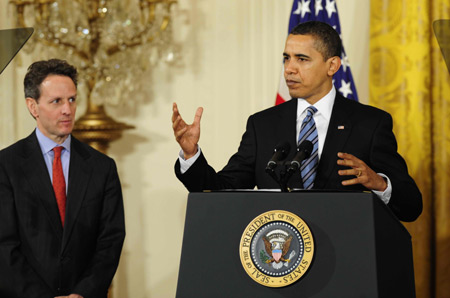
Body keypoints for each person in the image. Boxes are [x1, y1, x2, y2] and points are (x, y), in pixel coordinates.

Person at [171, 21, 422, 222]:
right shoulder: (263, 125)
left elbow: (411, 206)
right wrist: (190, 154)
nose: (289, 69)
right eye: (286, 58)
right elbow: (220, 191)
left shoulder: (370, 123)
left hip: (347, 262)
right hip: (279, 262)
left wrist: (378, 183)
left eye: (302, 59)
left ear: (332, 65)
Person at [0, 59, 125, 298]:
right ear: (33, 106)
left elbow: (110, 240)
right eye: (56, 101)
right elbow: (4, 246)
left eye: (72, 99)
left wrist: (82, 293)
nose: (67, 109)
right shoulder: (6, 166)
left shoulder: (102, 167)